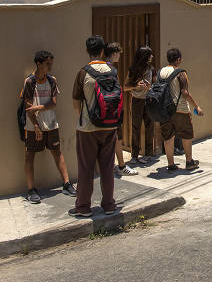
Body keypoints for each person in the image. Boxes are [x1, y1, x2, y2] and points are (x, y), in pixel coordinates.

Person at [70, 36, 118, 217]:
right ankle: (109, 205)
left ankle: (83, 206)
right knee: (107, 166)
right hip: (110, 125)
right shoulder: (112, 71)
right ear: (103, 51)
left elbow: (76, 102)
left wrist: (83, 118)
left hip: (88, 128)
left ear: (87, 51)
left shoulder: (83, 73)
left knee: (86, 167)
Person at [21, 50, 76, 204]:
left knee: (57, 152)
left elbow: (53, 103)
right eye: (47, 64)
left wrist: (38, 108)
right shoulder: (29, 82)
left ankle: (66, 184)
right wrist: (37, 126)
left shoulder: (52, 81)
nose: (50, 66)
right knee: (30, 155)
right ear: (38, 64)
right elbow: (27, 107)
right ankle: (31, 190)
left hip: (51, 124)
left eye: (51, 63)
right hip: (33, 127)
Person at [159, 48, 202, 172]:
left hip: (165, 111)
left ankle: (171, 164)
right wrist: (196, 106)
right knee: (187, 135)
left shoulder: (160, 72)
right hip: (180, 110)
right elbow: (185, 93)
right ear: (178, 59)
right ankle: (189, 162)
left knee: (168, 137)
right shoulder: (180, 73)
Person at [105, 42, 138, 176]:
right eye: (118, 53)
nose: (119, 56)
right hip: (112, 108)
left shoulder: (105, 68)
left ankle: (113, 165)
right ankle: (121, 165)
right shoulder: (110, 69)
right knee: (116, 137)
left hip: (108, 108)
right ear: (113, 54)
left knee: (112, 138)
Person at [125, 46, 156, 165]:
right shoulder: (133, 70)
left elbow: (156, 85)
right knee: (135, 127)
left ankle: (148, 154)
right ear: (145, 56)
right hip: (136, 100)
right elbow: (125, 87)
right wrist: (136, 85)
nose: (152, 57)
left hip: (148, 100)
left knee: (149, 126)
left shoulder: (152, 69)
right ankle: (134, 155)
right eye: (150, 55)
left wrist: (150, 87)